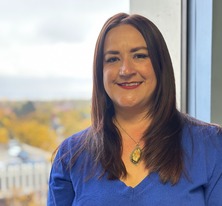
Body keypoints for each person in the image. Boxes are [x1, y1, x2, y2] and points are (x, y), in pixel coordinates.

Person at [47, 13, 222, 205]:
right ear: (100, 72)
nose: (126, 70)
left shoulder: (211, 145)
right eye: (113, 59)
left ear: (160, 65)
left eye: (139, 56)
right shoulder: (71, 156)